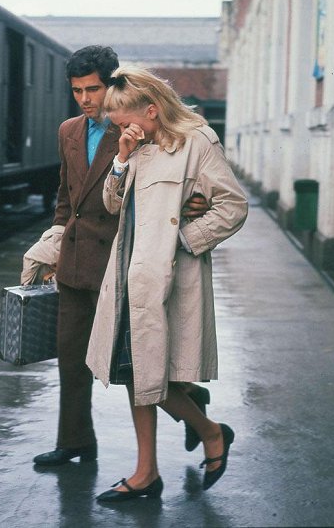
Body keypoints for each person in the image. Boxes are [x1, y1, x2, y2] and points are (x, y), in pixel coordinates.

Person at [33, 46, 209, 467]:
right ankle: (74, 440)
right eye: (76, 91)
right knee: (71, 358)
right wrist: (53, 245)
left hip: (120, 264)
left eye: (92, 89)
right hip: (74, 263)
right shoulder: (68, 131)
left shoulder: (135, 127)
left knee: (132, 367)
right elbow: (65, 197)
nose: (85, 99)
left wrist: (184, 208)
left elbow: (168, 186)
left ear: (110, 84)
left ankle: (188, 407)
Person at [85, 66, 248, 502]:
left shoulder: (197, 142)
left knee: (147, 374)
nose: (121, 129)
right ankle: (147, 471)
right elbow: (111, 203)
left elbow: (232, 206)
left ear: (152, 109)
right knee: (132, 373)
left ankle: (212, 434)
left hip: (168, 278)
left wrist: (183, 239)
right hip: (127, 273)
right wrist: (120, 158)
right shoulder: (135, 146)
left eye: (124, 121)